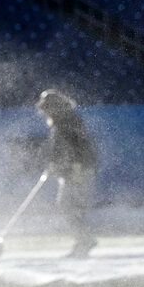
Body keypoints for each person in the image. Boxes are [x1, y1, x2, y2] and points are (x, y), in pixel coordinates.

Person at [36, 89, 98, 258]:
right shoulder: (63, 122)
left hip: (78, 169)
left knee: (69, 205)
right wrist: (56, 164)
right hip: (74, 169)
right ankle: (83, 240)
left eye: (46, 108)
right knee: (68, 205)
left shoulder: (67, 122)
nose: (44, 112)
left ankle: (84, 240)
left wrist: (61, 164)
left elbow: (76, 149)